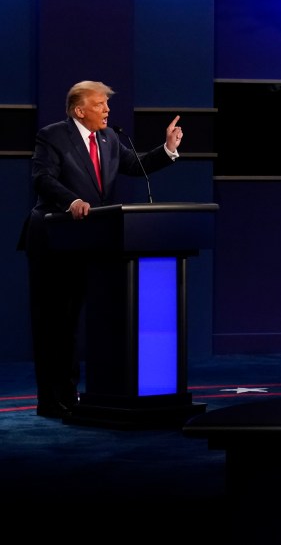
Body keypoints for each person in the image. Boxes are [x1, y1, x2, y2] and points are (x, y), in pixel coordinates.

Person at [17, 80, 184, 418]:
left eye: (107, 104)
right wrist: (72, 200)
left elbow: (135, 165)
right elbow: (43, 179)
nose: (107, 110)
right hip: (54, 241)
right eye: (100, 104)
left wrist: (167, 149)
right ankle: (52, 400)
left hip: (92, 242)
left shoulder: (108, 139)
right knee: (54, 323)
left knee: (81, 321)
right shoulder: (52, 136)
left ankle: (74, 393)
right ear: (80, 110)